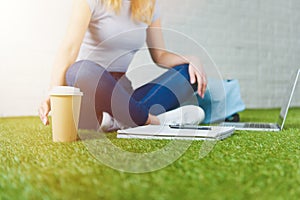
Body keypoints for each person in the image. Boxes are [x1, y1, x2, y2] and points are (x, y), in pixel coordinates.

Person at [38, 0, 207, 131]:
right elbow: (69, 49)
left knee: (187, 74)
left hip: (122, 94)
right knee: (79, 70)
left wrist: (191, 59)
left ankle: (119, 119)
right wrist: (52, 93)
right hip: (90, 89)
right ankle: (152, 121)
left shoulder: (149, 5)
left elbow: (160, 56)